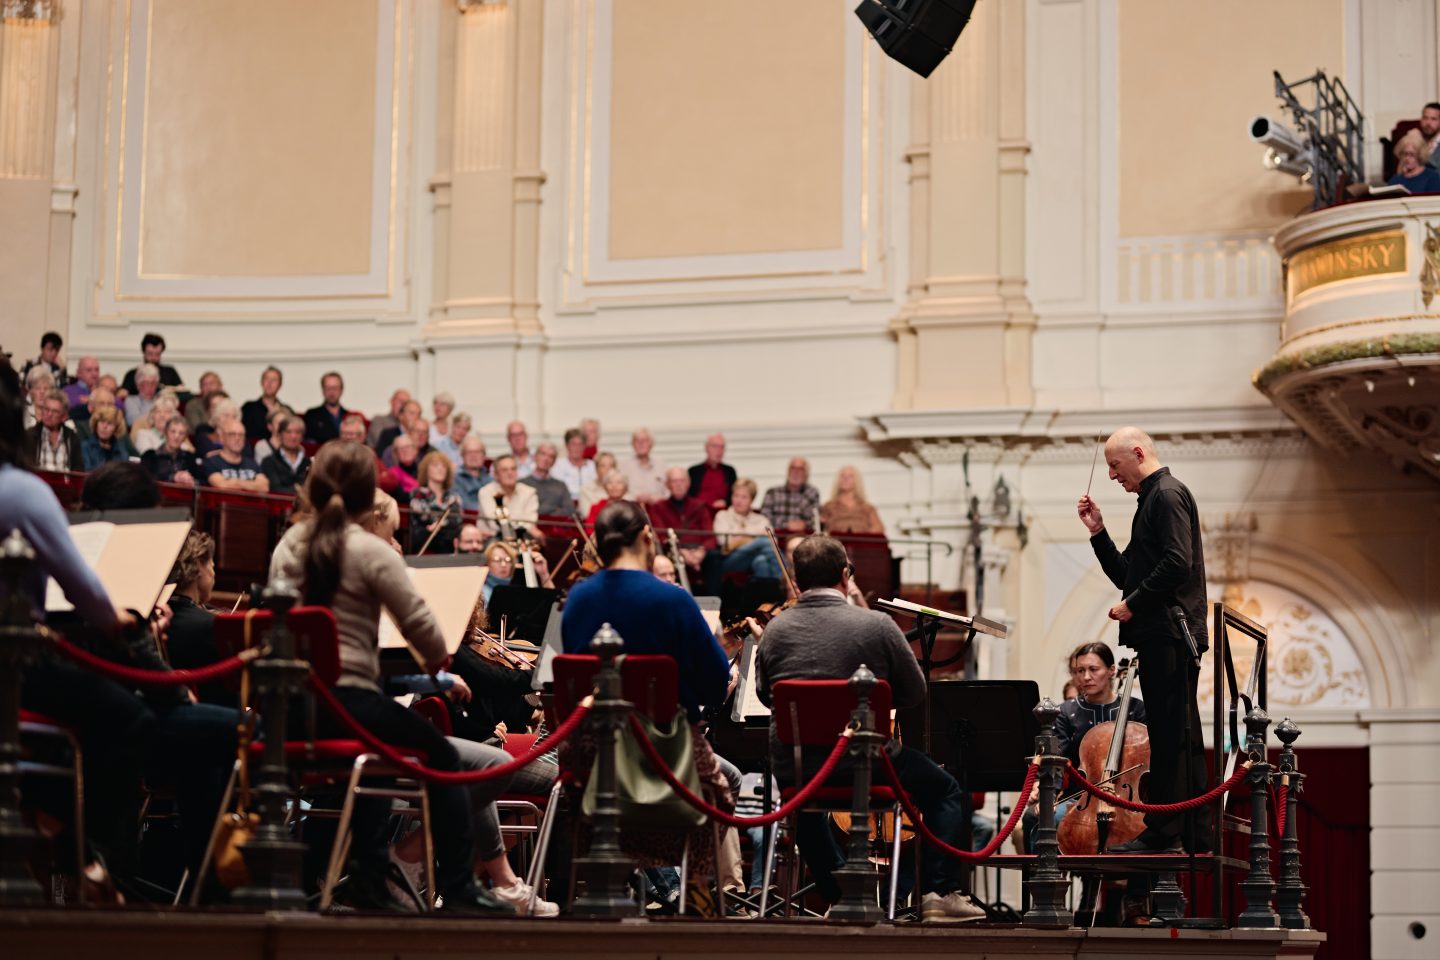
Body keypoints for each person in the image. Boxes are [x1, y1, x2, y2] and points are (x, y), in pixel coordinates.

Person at [268, 441, 514, 914]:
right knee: (440, 755)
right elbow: (425, 630)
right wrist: (434, 660)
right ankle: (458, 887)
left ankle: (369, 877)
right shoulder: (370, 550)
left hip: (294, 711)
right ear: (369, 493)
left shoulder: (288, 546)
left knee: (383, 746)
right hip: (349, 708)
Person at [755, 535, 984, 922]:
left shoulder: (775, 631)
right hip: (867, 762)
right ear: (846, 575)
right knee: (946, 791)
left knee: (807, 812)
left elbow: (765, 696)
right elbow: (914, 692)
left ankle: (839, 895)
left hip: (800, 767)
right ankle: (938, 893)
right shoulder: (876, 625)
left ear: (797, 580)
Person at [559, 500, 734, 913]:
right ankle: (694, 885)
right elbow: (714, 684)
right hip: (665, 756)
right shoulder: (671, 600)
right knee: (722, 791)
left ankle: (614, 879)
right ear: (646, 537)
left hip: (591, 754)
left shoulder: (578, 600)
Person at [1077, 426, 1208, 854]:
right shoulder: (1151, 501)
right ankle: (1186, 831)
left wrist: (1133, 604)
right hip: (1162, 634)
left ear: (1137, 453)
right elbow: (1126, 574)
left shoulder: (1166, 495)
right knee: (1173, 734)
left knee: (1173, 737)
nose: (1113, 475)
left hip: (1170, 632)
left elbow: (1176, 564)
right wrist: (1098, 532)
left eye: (1115, 465)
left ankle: (1166, 833)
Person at [163, 531, 232, 708]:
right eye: (210, 563)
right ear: (198, 567)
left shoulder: (155, 617)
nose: (214, 570)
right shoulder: (210, 626)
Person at [646, 467, 719, 593]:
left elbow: (710, 535)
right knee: (669, 560)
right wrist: (682, 553)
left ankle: (716, 605)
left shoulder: (700, 506)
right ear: (667, 485)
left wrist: (701, 552)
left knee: (714, 558)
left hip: (699, 551)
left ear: (688, 483)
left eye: (682, 480)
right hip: (673, 550)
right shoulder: (658, 507)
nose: (678, 485)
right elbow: (661, 537)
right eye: (674, 481)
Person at [713, 478, 783, 581]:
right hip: (731, 560)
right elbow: (726, 544)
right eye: (736, 495)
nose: (738, 500)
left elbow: (773, 542)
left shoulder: (761, 519)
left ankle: (766, 596)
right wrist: (756, 539)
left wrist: (742, 539)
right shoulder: (722, 516)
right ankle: (785, 581)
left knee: (761, 562)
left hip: (756, 558)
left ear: (752, 500)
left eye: (744, 497)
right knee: (763, 541)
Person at [409, 451, 464, 554]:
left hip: (450, 545)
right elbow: (418, 525)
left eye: (444, 466)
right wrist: (431, 529)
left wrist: (440, 525)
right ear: (426, 470)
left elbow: (457, 523)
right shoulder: (417, 494)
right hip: (425, 544)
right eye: (435, 465)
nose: (440, 469)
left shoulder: (454, 497)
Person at [478, 454, 541, 538]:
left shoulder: (529, 492)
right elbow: (495, 525)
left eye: (513, 469)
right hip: (493, 540)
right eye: (504, 470)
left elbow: (530, 523)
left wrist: (523, 527)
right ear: (496, 475)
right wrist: (521, 524)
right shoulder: (485, 492)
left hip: (521, 539)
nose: (510, 473)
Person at [200, 418, 268, 491]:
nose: (237, 438)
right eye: (232, 434)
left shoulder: (252, 464)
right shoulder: (211, 462)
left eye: (241, 435)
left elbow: (264, 487)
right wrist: (252, 484)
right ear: (222, 438)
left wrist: (234, 483)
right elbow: (221, 485)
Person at [760, 458, 821, 532]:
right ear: (788, 471)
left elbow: (815, 520)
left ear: (807, 474)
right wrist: (786, 525)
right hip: (777, 537)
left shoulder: (812, 493)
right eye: (793, 468)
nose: (796, 472)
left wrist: (804, 525)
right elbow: (764, 518)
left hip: (804, 538)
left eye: (801, 469)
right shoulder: (772, 492)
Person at [481, 540, 553, 604]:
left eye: (508, 560)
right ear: (487, 563)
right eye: (497, 560)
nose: (503, 564)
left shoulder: (517, 590)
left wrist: (544, 574)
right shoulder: (481, 592)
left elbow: (552, 605)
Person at [28, 390, 84, 471]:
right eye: (46, 409)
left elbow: (78, 469)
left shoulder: (71, 438)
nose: (49, 414)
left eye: (55, 411)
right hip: (37, 482)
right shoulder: (30, 435)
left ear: (64, 416)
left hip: (65, 483)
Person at [820, 465, 884, 534]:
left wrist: (861, 537)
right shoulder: (829, 506)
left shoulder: (867, 507)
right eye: (842, 476)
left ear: (857, 481)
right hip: (837, 542)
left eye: (850, 476)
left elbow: (879, 528)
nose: (845, 479)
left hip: (861, 543)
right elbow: (821, 528)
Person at [521, 442, 576, 517]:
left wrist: (540, 512)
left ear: (554, 462)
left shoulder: (561, 486)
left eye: (551, 456)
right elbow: (521, 511)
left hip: (555, 526)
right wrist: (554, 509)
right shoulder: (522, 484)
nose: (546, 459)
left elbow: (570, 510)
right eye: (543, 454)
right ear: (535, 457)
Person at [141, 414, 200, 484]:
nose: (176, 436)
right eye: (173, 431)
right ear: (165, 433)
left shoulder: (189, 457)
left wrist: (192, 480)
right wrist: (173, 477)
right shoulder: (150, 456)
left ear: (185, 437)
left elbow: (201, 480)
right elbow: (146, 479)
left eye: (181, 433)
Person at [260, 414, 311, 494]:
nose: (293, 436)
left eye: (297, 432)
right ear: (280, 435)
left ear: (302, 436)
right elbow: (275, 488)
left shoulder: (309, 463)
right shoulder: (269, 462)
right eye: (288, 432)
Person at [240, 365, 291, 442]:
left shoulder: (287, 410)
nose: (269, 383)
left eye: (274, 380)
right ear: (261, 382)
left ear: (280, 385)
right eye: (266, 379)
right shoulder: (248, 408)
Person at [688, 432, 736, 514]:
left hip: (723, 514)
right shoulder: (694, 471)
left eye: (722, 447)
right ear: (706, 448)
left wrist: (725, 502)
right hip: (698, 514)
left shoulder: (730, 471)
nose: (719, 451)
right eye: (715, 446)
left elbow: (734, 495)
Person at [81, 405, 138, 471]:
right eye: (102, 422)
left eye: (110, 423)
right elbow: (86, 473)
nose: (104, 427)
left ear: (116, 428)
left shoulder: (121, 450)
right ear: (96, 424)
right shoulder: (85, 448)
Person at [620, 426, 667, 503]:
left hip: (656, 509)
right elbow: (617, 492)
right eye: (637, 441)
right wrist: (635, 498)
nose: (641, 443)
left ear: (651, 444)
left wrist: (657, 498)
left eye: (645, 440)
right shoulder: (623, 466)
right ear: (632, 444)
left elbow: (668, 493)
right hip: (631, 509)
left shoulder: (661, 465)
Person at [302, 371, 349, 444]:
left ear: (341, 390)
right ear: (323, 390)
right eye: (328, 388)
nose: (332, 392)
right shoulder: (312, 416)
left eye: (335, 388)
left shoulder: (348, 416)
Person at [551, 427, 595, 501]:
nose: (577, 448)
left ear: (584, 446)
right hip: (566, 504)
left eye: (580, 444)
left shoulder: (592, 466)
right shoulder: (557, 465)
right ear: (567, 446)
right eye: (573, 444)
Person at [453, 435, 492, 511]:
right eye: (469, 452)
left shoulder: (491, 480)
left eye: (477, 452)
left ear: (484, 456)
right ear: (462, 456)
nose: (473, 456)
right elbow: (466, 506)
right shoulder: (454, 480)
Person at [578, 451, 619, 517]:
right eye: (603, 466)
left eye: (611, 466)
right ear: (596, 469)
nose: (608, 469)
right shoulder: (586, 490)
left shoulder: (622, 488)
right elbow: (588, 515)